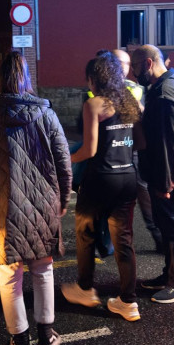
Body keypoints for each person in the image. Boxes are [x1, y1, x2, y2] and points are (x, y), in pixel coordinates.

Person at [0, 51, 71, 345]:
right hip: (41, 204)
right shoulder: (45, 114)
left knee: (8, 275)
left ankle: (20, 342)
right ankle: (46, 335)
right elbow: (63, 161)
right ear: (26, 78)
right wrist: (63, 199)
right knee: (42, 270)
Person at [62, 52, 143, 322]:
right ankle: (129, 302)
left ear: (95, 78)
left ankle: (85, 289)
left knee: (85, 232)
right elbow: (140, 142)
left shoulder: (94, 104)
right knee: (124, 241)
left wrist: (66, 159)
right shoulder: (131, 101)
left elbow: (89, 149)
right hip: (128, 176)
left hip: (101, 179)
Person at [131, 45, 174, 304]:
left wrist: (166, 183)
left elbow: (170, 144)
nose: (133, 72)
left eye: (135, 67)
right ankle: (168, 275)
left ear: (148, 63)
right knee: (167, 226)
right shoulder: (169, 84)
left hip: (173, 175)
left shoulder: (165, 94)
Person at [112, 48, 163, 253]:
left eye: (127, 64)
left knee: (146, 199)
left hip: (132, 151)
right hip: (116, 153)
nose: (125, 69)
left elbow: (144, 117)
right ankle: (110, 243)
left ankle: (161, 240)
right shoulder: (104, 88)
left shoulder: (134, 88)